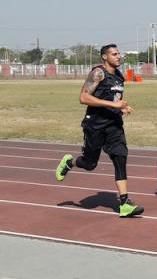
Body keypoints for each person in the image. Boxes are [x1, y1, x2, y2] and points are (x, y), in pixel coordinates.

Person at [55, 44, 143, 217]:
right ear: (104, 57)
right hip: (95, 124)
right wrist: (113, 105)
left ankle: (124, 203)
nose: (119, 57)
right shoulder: (98, 73)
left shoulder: (119, 76)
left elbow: (116, 98)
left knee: (120, 157)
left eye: (119, 54)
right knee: (90, 164)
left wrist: (121, 108)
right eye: (114, 54)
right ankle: (69, 163)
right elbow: (83, 97)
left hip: (114, 125)